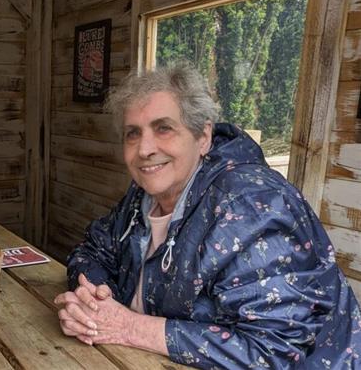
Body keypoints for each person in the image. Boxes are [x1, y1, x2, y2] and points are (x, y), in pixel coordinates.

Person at [55, 64, 361, 368]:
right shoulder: (143, 195)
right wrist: (93, 300)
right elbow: (92, 250)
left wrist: (128, 327)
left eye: (164, 128)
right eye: (132, 133)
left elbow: (273, 351)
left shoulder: (250, 206)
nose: (144, 149)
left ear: (203, 137)